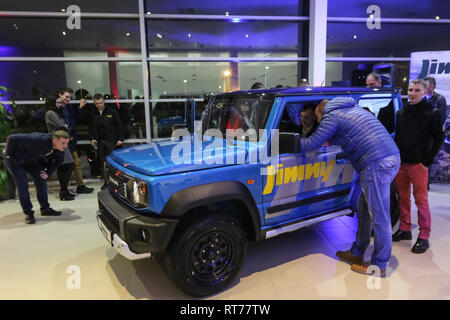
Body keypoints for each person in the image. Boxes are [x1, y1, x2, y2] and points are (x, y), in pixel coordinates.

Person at [300, 97, 400, 276]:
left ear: (321, 112)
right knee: (363, 208)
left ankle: (379, 265)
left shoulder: (331, 116)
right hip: (388, 157)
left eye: (318, 118)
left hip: (376, 164)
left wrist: (279, 141)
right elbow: (351, 134)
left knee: (379, 216)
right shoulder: (352, 108)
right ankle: (357, 253)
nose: (320, 122)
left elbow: (310, 144)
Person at [392, 79, 444, 254]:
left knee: (421, 201)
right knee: (403, 198)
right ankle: (405, 229)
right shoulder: (401, 113)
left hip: (418, 165)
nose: (412, 93)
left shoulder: (432, 113)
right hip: (401, 164)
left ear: (425, 92)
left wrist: (426, 161)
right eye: (410, 89)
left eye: (417, 90)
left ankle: (424, 236)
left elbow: (438, 138)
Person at [3, 130, 70, 224]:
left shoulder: (60, 148)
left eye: (67, 143)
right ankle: (28, 213)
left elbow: (59, 161)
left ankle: (45, 208)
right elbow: (12, 138)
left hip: (32, 161)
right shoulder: (39, 139)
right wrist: (8, 154)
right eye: (63, 143)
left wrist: (47, 172)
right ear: (54, 140)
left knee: (41, 180)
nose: (65, 146)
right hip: (15, 161)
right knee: (23, 185)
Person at [57, 88, 95, 194]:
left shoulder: (68, 107)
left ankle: (79, 186)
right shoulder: (55, 108)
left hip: (71, 140)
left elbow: (76, 119)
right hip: (61, 141)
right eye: (66, 97)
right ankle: (65, 189)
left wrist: (80, 107)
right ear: (60, 95)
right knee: (65, 165)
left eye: (70, 97)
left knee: (76, 162)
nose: (69, 99)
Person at [90, 94, 124, 189]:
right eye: (97, 103)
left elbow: (119, 125)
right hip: (100, 142)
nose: (99, 105)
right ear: (94, 103)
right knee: (103, 164)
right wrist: (92, 138)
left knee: (113, 164)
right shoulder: (93, 113)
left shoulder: (112, 112)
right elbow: (91, 128)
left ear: (104, 102)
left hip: (112, 142)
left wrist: (120, 139)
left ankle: (116, 183)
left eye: (101, 103)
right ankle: (106, 182)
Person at [44, 96, 76, 201]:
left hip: (61, 141)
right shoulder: (50, 113)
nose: (60, 104)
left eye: (60, 102)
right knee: (67, 165)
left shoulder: (56, 113)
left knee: (65, 166)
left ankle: (64, 191)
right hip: (58, 142)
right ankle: (63, 191)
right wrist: (65, 126)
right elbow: (62, 125)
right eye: (57, 102)